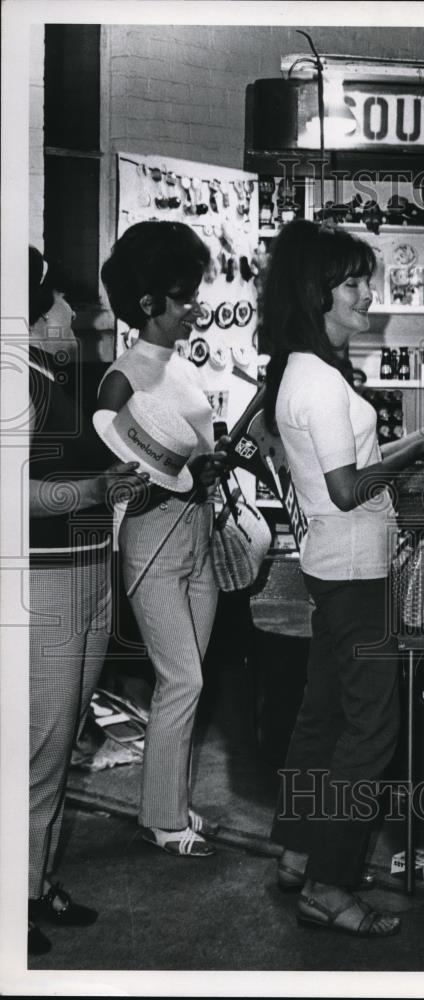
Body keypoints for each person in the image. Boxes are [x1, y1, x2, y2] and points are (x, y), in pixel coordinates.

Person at [260, 220, 424, 938]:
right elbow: (347, 489)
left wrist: (413, 450)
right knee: (369, 732)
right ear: (317, 292)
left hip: (334, 569)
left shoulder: (300, 370)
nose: (365, 294)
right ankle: (330, 883)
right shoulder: (317, 381)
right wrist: (420, 445)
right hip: (354, 577)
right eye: (352, 282)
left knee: (322, 721)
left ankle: (297, 854)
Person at [27, 247, 149, 955]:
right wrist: (94, 492)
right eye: (59, 301)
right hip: (46, 580)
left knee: (61, 741)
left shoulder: (50, 373)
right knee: (39, 748)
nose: (74, 313)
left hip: (84, 571)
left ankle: (35, 884)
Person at [96, 222, 229, 858]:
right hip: (152, 541)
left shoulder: (180, 371)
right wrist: (182, 476)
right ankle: (160, 820)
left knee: (190, 678)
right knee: (183, 680)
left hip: (199, 535)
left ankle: (168, 805)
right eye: (182, 299)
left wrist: (213, 458)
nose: (192, 310)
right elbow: (127, 481)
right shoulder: (122, 380)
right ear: (148, 303)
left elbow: (192, 453)